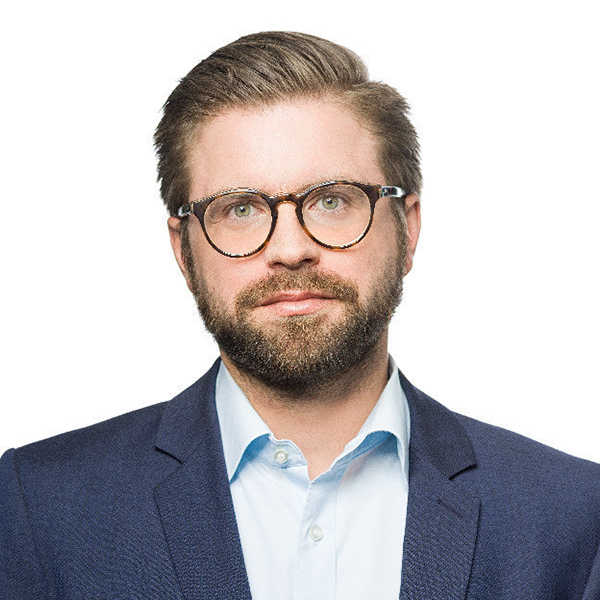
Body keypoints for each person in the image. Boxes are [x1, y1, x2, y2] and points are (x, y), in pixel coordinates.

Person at [1, 31, 599, 600]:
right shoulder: (39, 506)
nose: (290, 250)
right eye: (240, 209)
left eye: (332, 200)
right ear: (183, 250)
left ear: (407, 228)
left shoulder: (573, 514)